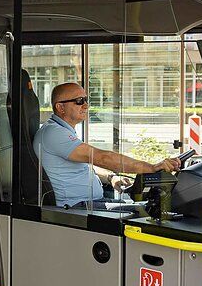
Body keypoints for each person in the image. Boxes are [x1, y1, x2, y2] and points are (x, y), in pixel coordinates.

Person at [34, 82, 181, 209]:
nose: (86, 105)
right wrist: (151, 167)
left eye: (86, 99)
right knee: (146, 212)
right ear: (60, 107)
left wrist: (111, 177)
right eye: (79, 101)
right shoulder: (54, 133)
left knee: (144, 207)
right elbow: (102, 158)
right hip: (76, 207)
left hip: (89, 203)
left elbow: (85, 165)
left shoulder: (60, 130)